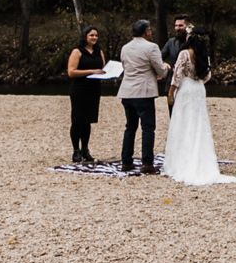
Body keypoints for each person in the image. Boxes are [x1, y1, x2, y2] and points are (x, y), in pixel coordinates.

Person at [164, 30, 236, 186]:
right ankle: (200, 159)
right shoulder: (204, 56)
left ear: (190, 38)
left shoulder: (184, 54)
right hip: (198, 89)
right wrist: (197, 82)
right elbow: (207, 76)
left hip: (186, 89)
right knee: (199, 124)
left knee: (183, 123)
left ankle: (181, 162)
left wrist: (171, 93)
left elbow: (177, 75)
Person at [117, 19, 169, 175]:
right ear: (146, 31)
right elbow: (160, 70)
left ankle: (126, 160)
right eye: (150, 30)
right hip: (144, 92)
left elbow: (126, 66)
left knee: (130, 127)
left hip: (127, 91)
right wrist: (166, 68)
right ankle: (147, 162)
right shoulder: (151, 47)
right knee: (147, 128)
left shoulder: (125, 47)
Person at [65, 26, 110, 163]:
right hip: (79, 88)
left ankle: (85, 149)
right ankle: (76, 150)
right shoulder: (77, 52)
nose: (94, 38)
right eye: (91, 35)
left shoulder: (98, 51)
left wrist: (107, 72)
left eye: (96, 35)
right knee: (78, 120)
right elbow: (71, 72)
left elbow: (102, 68)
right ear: (85, 36)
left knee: (88, 120)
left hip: (94, 89)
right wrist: (91, 71)